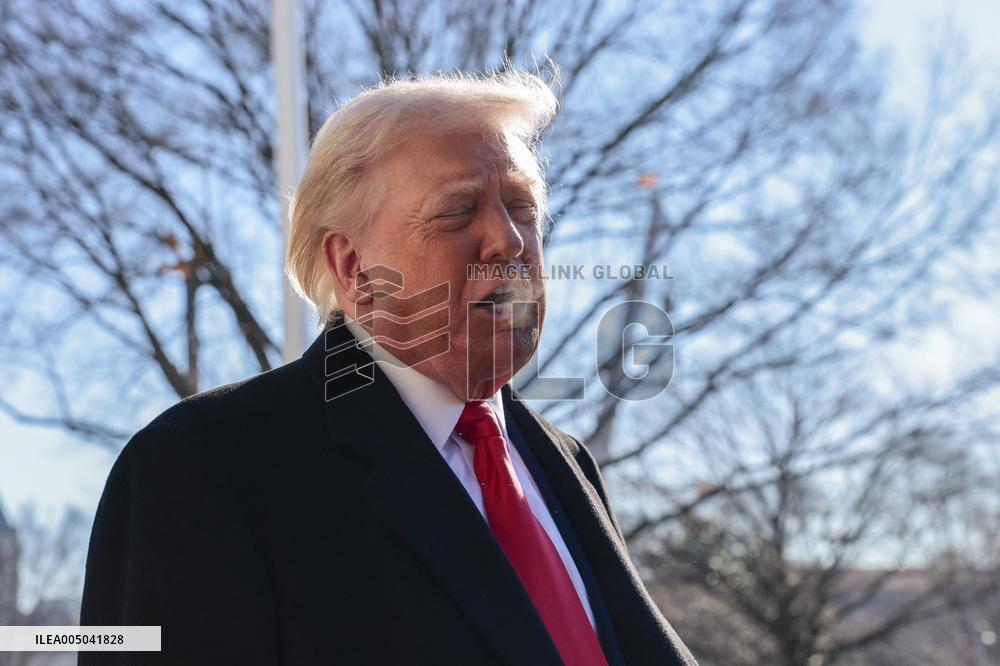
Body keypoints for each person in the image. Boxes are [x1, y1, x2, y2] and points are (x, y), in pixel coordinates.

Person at [80, 70, 697, 665]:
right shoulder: (200, 465)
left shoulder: (566, 463)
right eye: (457, 212)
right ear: (353, 269)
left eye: (522, 207)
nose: (508, 241)